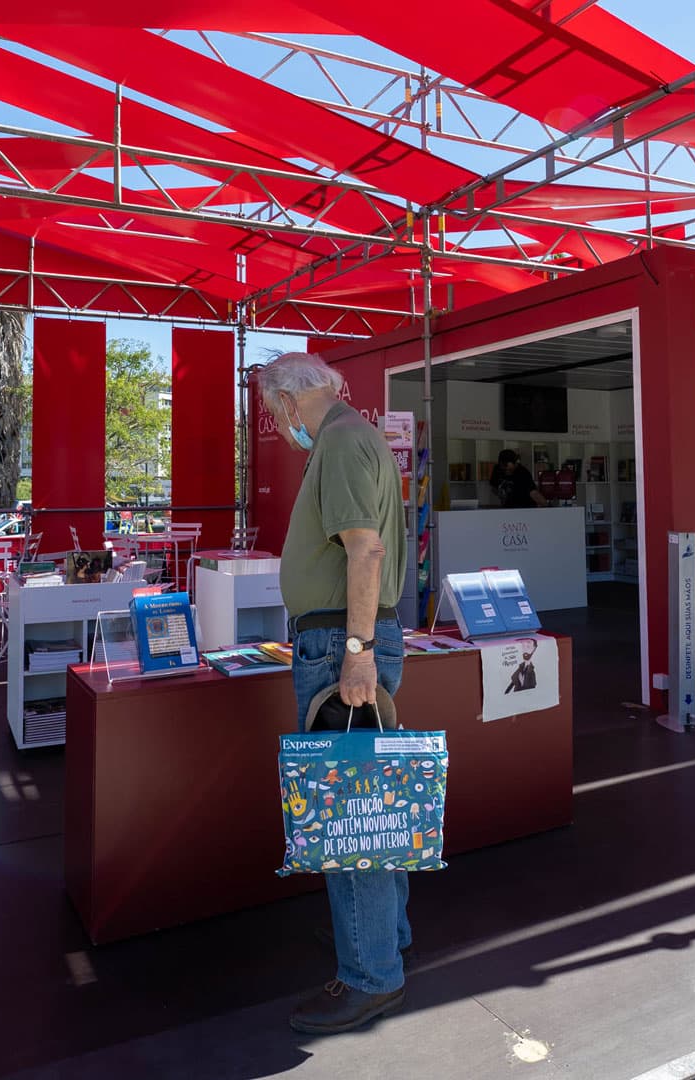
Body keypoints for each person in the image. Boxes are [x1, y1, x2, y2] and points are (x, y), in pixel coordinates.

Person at [259, 351, 410, 1035]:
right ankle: (380, 935)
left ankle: (369, 974)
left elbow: (365, 550)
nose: (275, 424)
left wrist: (354, 652)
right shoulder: (358, 435)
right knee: (369, 804)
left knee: (349, 814)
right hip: (344, 641)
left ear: (291, 400)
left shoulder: (344, 440)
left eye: (271, 412)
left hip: (339, 646)